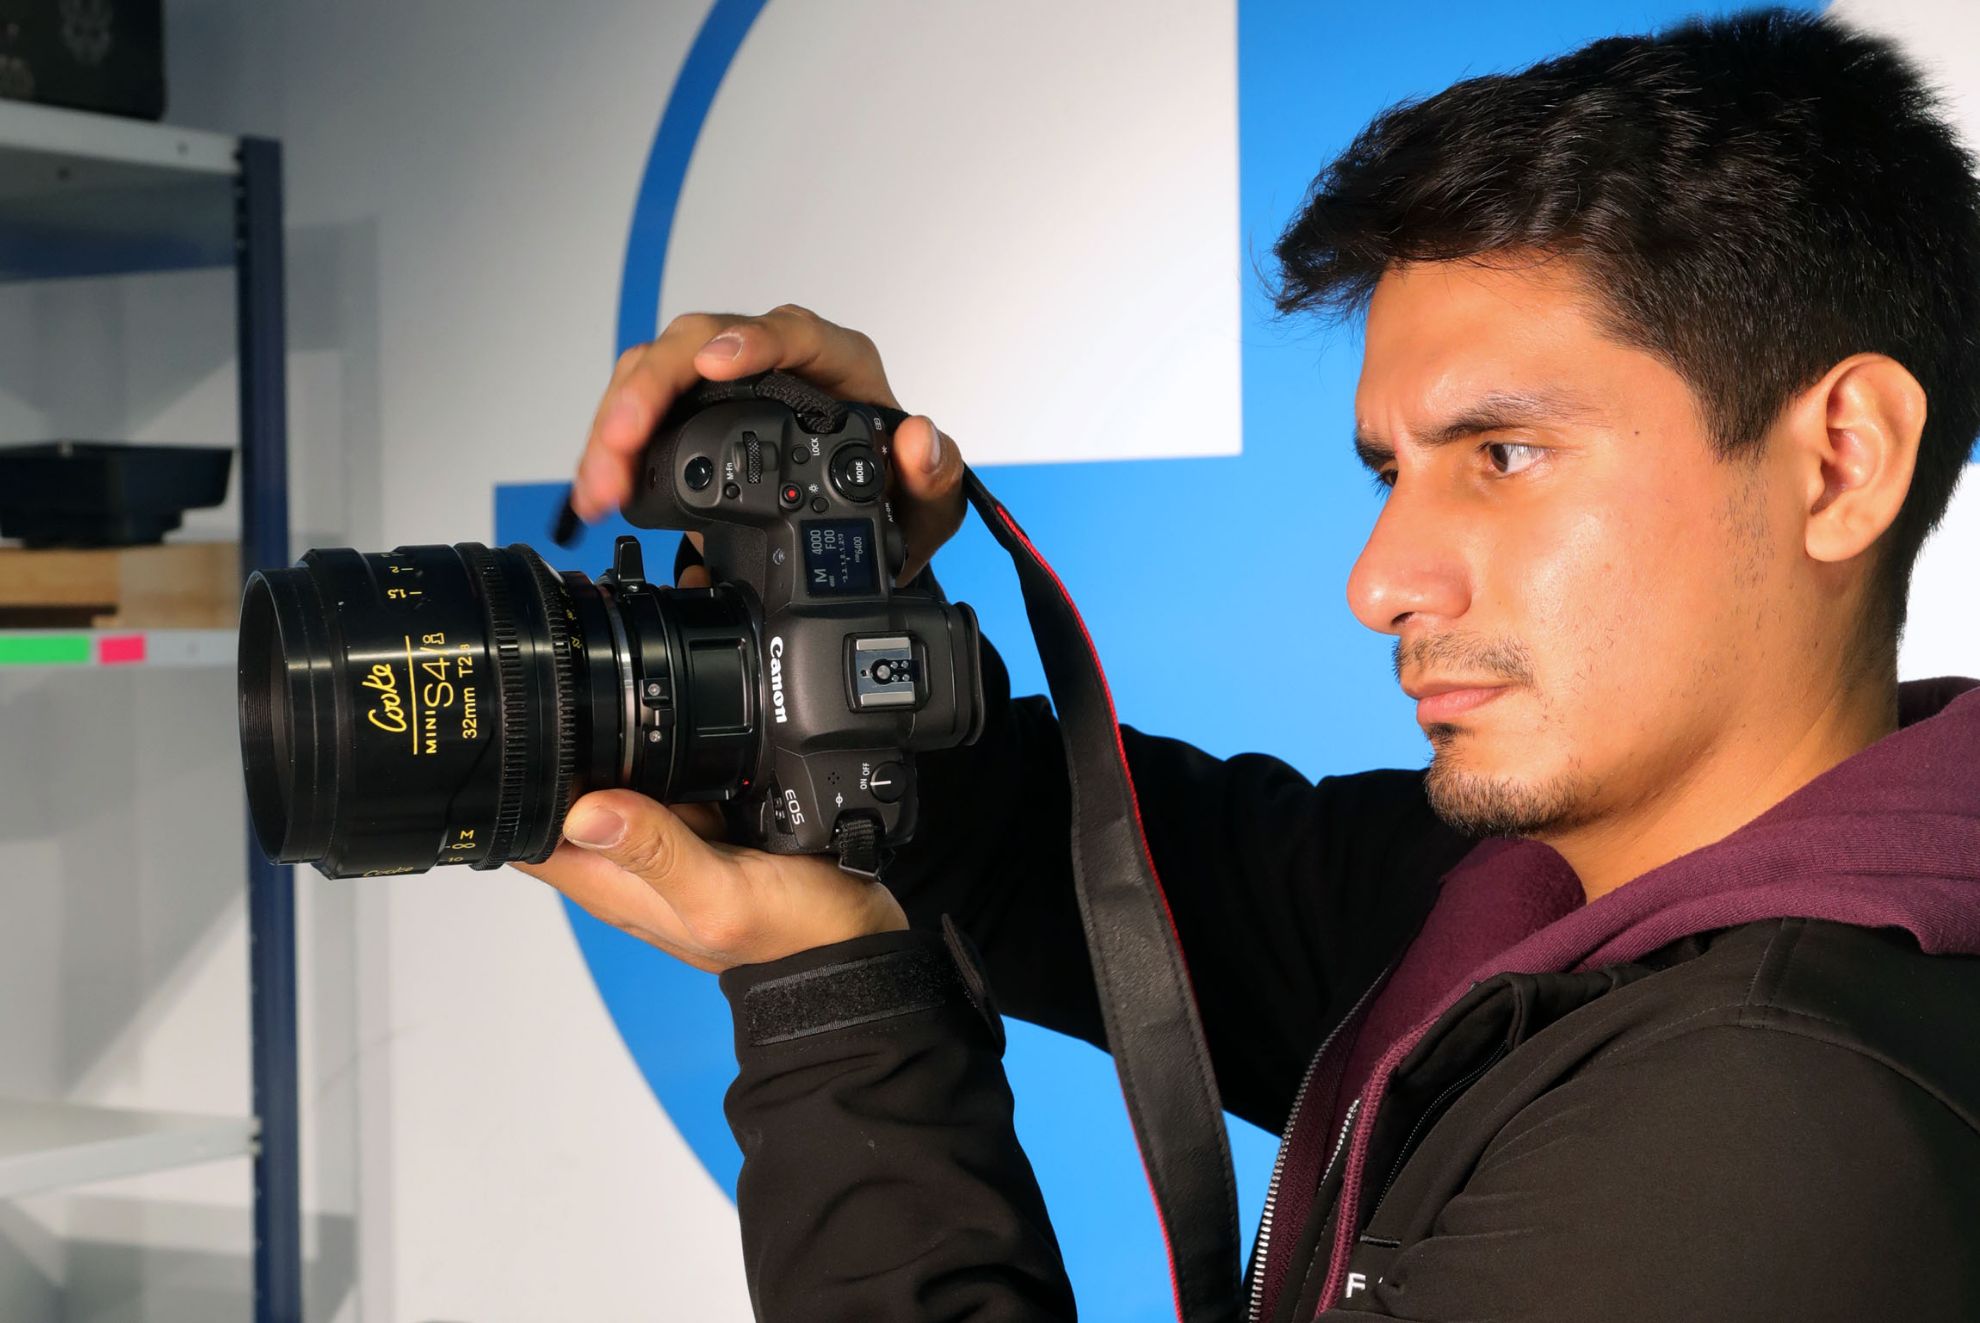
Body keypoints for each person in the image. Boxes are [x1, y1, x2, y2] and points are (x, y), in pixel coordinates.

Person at [519, 8, 1980, 1320]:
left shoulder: (1770, 1114)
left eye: (1504, 454)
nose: (1378, 583)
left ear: (1841, 462)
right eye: (1391, 473)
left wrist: (830, 1003)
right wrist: (825, 584)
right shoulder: (1522, 899)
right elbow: (1087, 871)